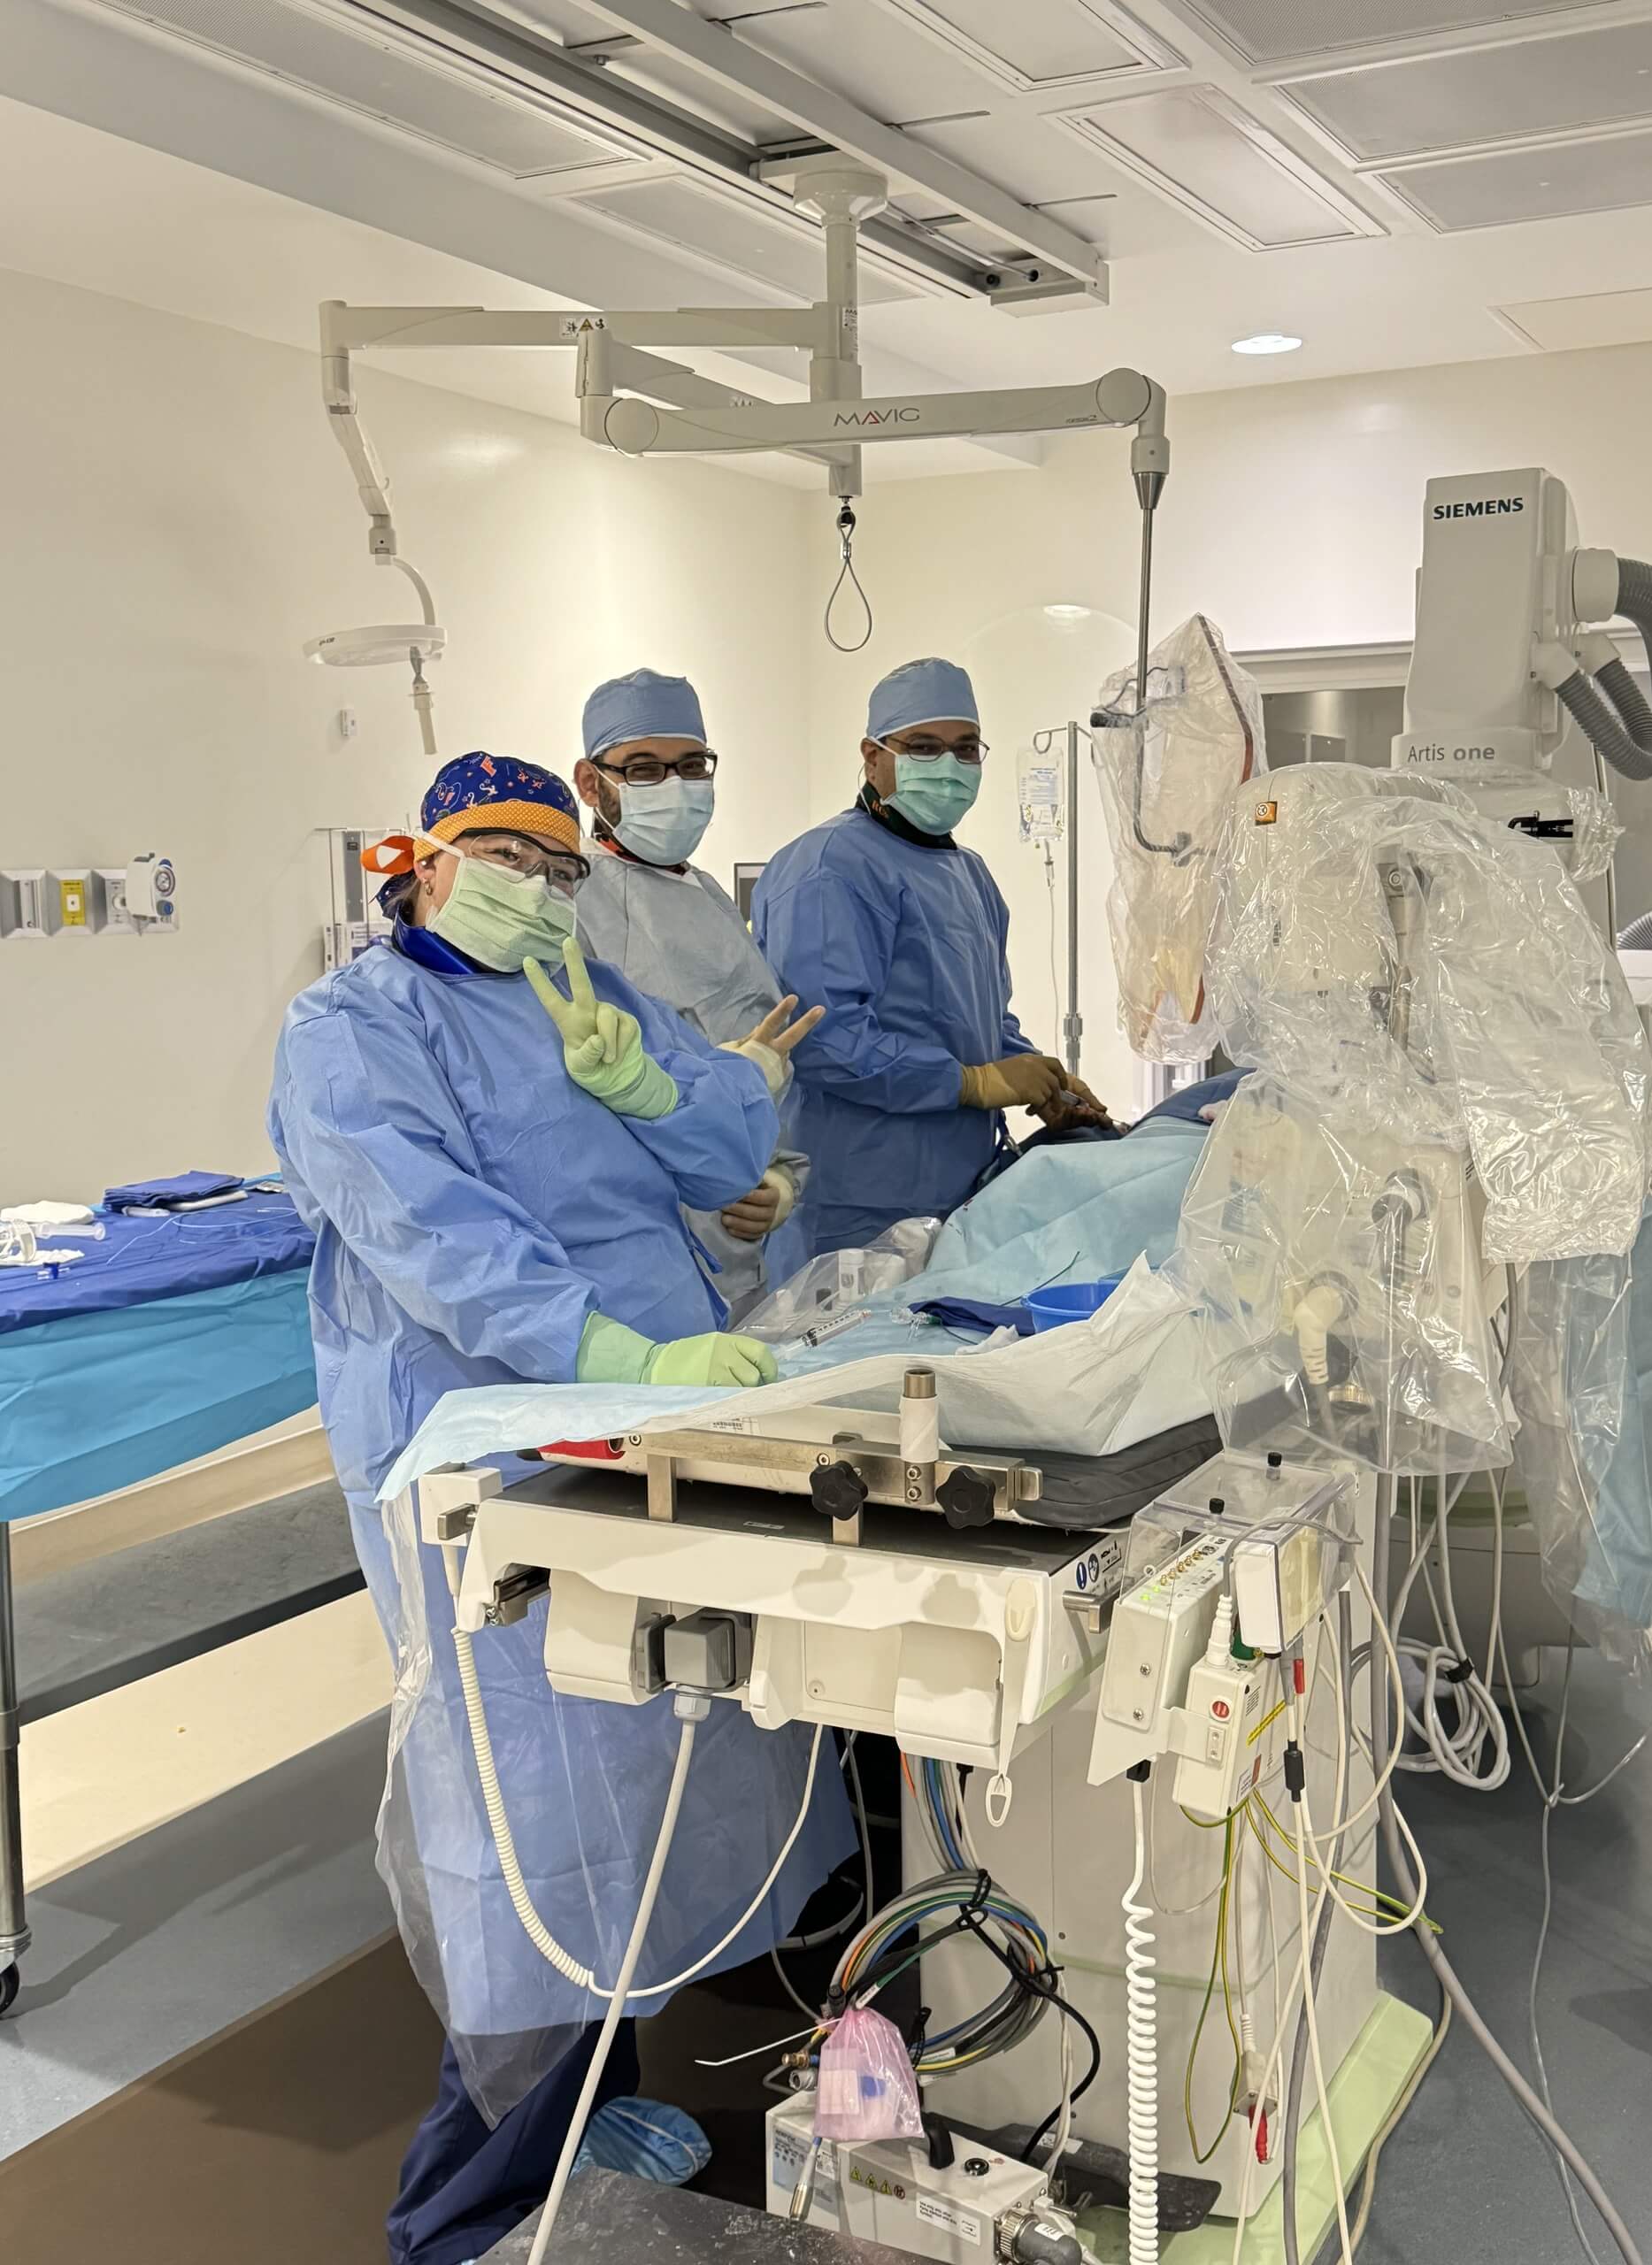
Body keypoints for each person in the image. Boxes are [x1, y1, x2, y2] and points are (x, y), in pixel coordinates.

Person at [267, 753, 850, 2265]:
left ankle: (596, 2093)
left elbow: (733, 1152)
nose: (539, 882)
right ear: (421, 859)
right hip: (485, 1442)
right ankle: (473, 2196)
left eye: (555, 860)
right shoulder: (352, 1028)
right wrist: (615, 1356)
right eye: (503, 853)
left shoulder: (583, 987)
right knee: (526, 1807)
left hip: (638, 1428)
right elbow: (435, 1237)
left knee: (659, 1762)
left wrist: (654, 1085)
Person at [753, 656, 1106, 1254]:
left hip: (959, 1186)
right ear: (873, 756)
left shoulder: (969, 875)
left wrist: (1041, 1080)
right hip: (855, 1197)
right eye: (924, 747)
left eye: (966, 749)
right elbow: (823, 1041)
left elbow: (980, 1020)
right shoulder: (827, 868)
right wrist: (970, 1082)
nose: (949, 767)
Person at [572, 667, 811, 1319]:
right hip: (642, 1255)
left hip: (737, 1247)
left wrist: (778, 1178)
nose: (674, 786)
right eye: (644, 769)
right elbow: (581, 1100)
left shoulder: (708, 898)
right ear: (591, 784)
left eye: (691, 765)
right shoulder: (571, 904)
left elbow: (765, 1056)